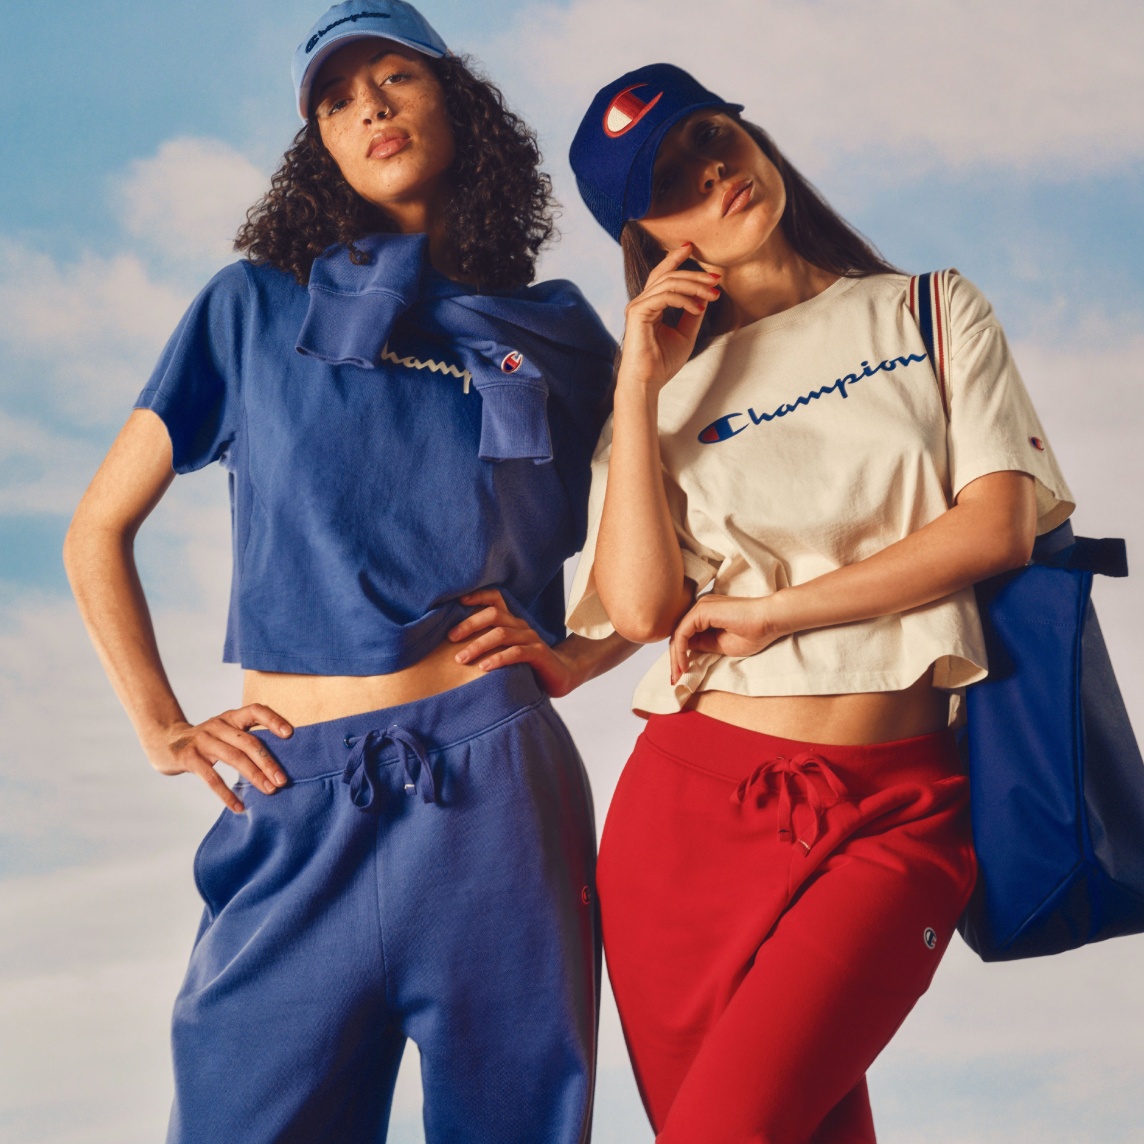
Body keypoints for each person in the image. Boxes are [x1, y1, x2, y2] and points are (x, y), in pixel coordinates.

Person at [63, 3, 633, 1141]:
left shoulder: (560, 332)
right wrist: (162, 725)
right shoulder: (250, 307)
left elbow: (658, 541)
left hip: (495, 796)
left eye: (392, 77)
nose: (368, 105)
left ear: (452, 99)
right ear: (317, 142)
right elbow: (95, 529)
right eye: (335, 97)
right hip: (293, 800)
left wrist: (584, 649)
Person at [564, 64, 1075, 1142]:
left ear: (749, 137)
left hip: (904, 805)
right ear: (648, 233)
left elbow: (996, 526)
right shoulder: (656, 404)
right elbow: (645, 606)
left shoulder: (928, 309)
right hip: (690, 812)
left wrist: (773, 613)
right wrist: (636, 385)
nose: (712, 177)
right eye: (671, 182)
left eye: (712, 139)